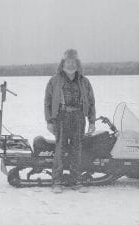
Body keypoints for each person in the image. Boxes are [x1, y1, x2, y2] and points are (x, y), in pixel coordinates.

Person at [44, 49, 96, 193]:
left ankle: (76, 181)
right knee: (60, 149)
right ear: (63, 63)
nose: (71, 65)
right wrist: (49, 121)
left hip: (79, 117)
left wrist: (92, 121)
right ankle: (57, 182)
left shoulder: (84, 81)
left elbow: (91, 103)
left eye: (74, 62)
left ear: (77, 64)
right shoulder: (54, 81)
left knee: (76, 150)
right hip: (61, 117)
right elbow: (47, 102)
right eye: (68, 62)